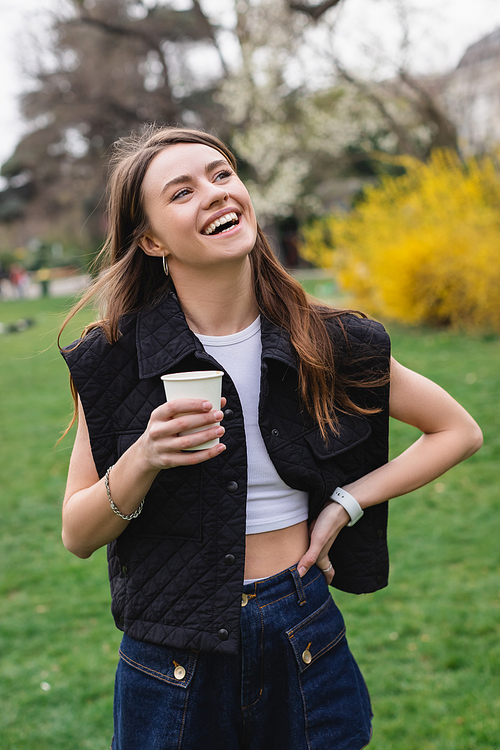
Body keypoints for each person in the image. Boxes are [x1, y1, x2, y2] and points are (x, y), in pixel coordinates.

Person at [59, 126, 482, 750]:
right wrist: (143, 458)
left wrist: (345, 505)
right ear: (150, 240)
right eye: (181, 191)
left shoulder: (326, 339)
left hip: (302, 628)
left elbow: (458, 430)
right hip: (171, 656)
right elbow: (77, 534)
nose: (214, 193)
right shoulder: (113, 360)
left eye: (221, 174)